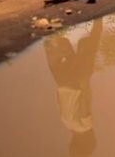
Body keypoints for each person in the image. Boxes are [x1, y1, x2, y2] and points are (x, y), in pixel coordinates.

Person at [44, 18, 102, 157]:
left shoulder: (86, 126)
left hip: (77, 83)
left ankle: (98, 19)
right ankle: (51, 25)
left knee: (92, 45)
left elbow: (83, 105)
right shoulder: (66, 123)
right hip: (62, 82)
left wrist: (84, 81)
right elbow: (60, 101)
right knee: (60, 47)